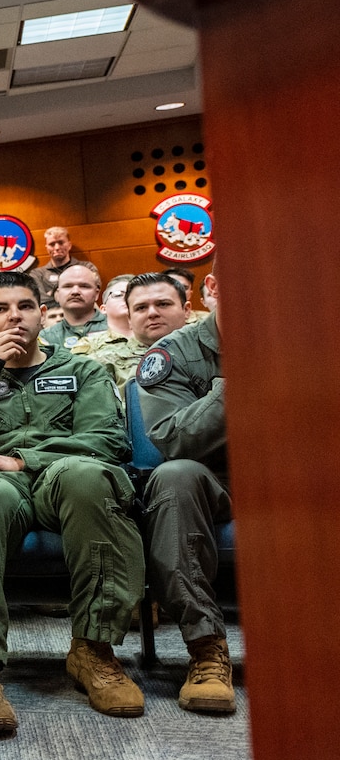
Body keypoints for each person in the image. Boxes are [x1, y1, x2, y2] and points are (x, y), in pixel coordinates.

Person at [0, 272, 147, 736]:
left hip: (59, 480)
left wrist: (22, 460)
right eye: (0, 310)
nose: (15, 317)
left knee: (87, 475)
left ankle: (94, 649)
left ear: (44, 314)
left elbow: (105, 441)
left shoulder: (84, 371)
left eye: (24, 306)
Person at [133, 275, 236, 715]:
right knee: (173, 476)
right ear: (213, 286)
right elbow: (173, 439)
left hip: (303, 473)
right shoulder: (175, 353)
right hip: (215, 479)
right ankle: (205, 645)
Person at [73, 276, 144, 383]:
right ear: (103, 309)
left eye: (133, 295)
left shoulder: (158, 339)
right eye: (118, 295)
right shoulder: (88, 344)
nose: (126, 298)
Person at [40, 263, 107, 348]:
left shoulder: (115, 326)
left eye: (84, 286)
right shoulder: (45, 338)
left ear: (97, 294)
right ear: (57, 295)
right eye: (68, 286)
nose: (75, 291)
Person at [27, 226, 93, 303]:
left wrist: (52, 293)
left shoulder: (87, 267)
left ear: (69, 245)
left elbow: (91, 294)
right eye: (52, 244)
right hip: (52, 314)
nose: (57, 247)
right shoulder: (37, 274)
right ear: (47, 248)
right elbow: (40, 300)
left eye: (61, 243)